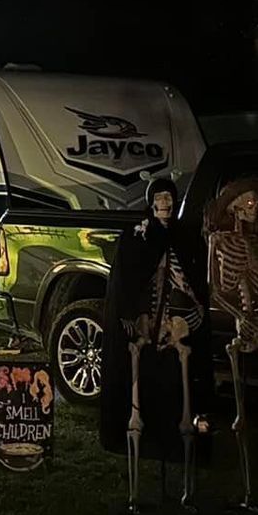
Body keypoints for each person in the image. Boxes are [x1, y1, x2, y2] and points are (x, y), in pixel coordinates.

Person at [99, 176, 214, 496]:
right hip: (146, 321)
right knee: (140, 364)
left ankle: (184, 441)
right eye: (160, 198)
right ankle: (137, 429)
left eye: (169, 198)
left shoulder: (184, 238)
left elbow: (193, 280)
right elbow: (128, 277)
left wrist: (196, 307)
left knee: (181, 368)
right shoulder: (138, 237)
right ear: (151, 203)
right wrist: (130, 314)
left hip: (178, 321)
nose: (165, 204)